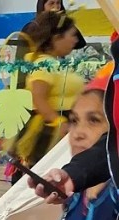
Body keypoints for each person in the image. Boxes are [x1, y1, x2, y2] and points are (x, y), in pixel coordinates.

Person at [53, 75, 119, 220]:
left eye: (94, 120)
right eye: (74, 121)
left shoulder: (113, 200)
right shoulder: (74, 201)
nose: (78, 134)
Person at [10, 11, 83, 182]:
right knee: (39, 178)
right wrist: (59, 122)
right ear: (57, 37)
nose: (75, 40)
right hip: (49, 130)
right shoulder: (45, 64)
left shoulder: (53, 62)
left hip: (61, 123)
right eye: (72, 35)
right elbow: (38, 98)